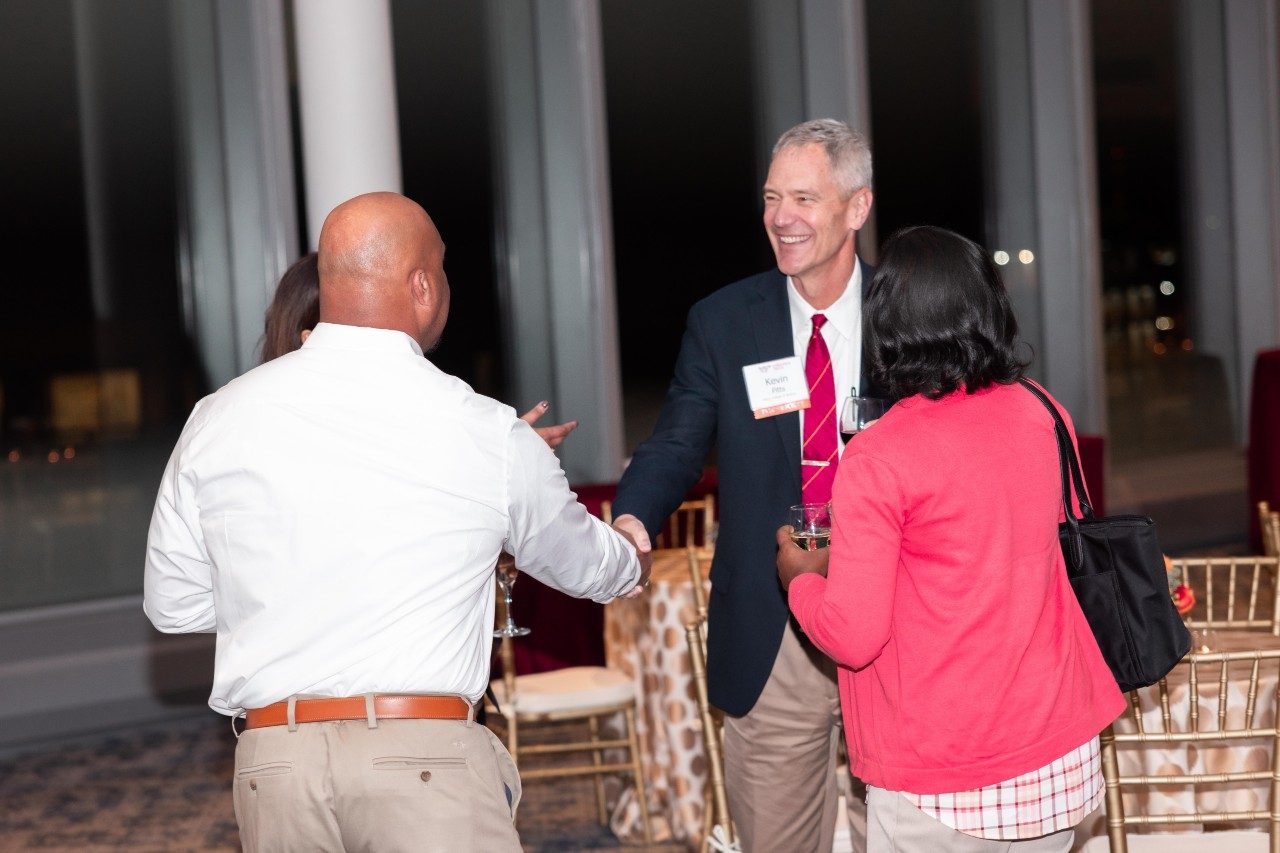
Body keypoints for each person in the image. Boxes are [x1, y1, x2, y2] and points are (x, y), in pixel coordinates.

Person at [143, 192, 649, 852]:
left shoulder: (219, 417)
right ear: (421, 285)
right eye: (441, 271)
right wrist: (631, 555)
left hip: (276, 769)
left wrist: (286, 598)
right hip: (425, 765)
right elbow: (582, 563)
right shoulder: (483, 430)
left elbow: (173, 604)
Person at [777, 226, 1125, 852]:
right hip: (1059, 754)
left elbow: (854, 638)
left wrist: (799, 578)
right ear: (990, 307)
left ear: (884, 325)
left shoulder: (881, 456)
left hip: (944, 776)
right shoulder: (1044, 411)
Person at [610, 118, 875, 851]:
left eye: (803, 198)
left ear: (856, 207)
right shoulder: (724, 322)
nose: (781, 218)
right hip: (774, 628)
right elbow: (676, 443)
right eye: (770, 198)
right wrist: (634, 520)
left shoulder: (908, 315)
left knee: (900, 835)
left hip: (890, 624)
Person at [260, 250, 578, 448]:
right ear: (309, 338)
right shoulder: (296, 433)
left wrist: (504, 457)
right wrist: (504, 459)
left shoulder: (392, 408)